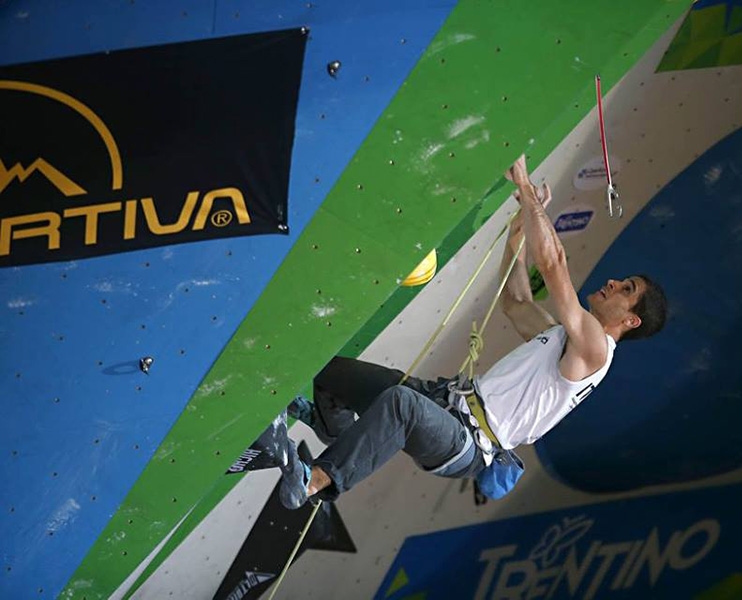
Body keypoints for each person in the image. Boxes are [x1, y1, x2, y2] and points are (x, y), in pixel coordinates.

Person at [278, 155, 668, 509]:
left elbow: (554, 264)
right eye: (623, 281)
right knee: (331, 374)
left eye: (626, 289)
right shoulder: (568, 342)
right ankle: (332, 425)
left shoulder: (596, 350)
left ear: (630, 321)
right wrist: (517, 235)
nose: (615, 282)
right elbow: (515, 302)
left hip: (466, 443)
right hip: (444, 400)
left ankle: (315, 483)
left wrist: (526, 189)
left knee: (400, 404)